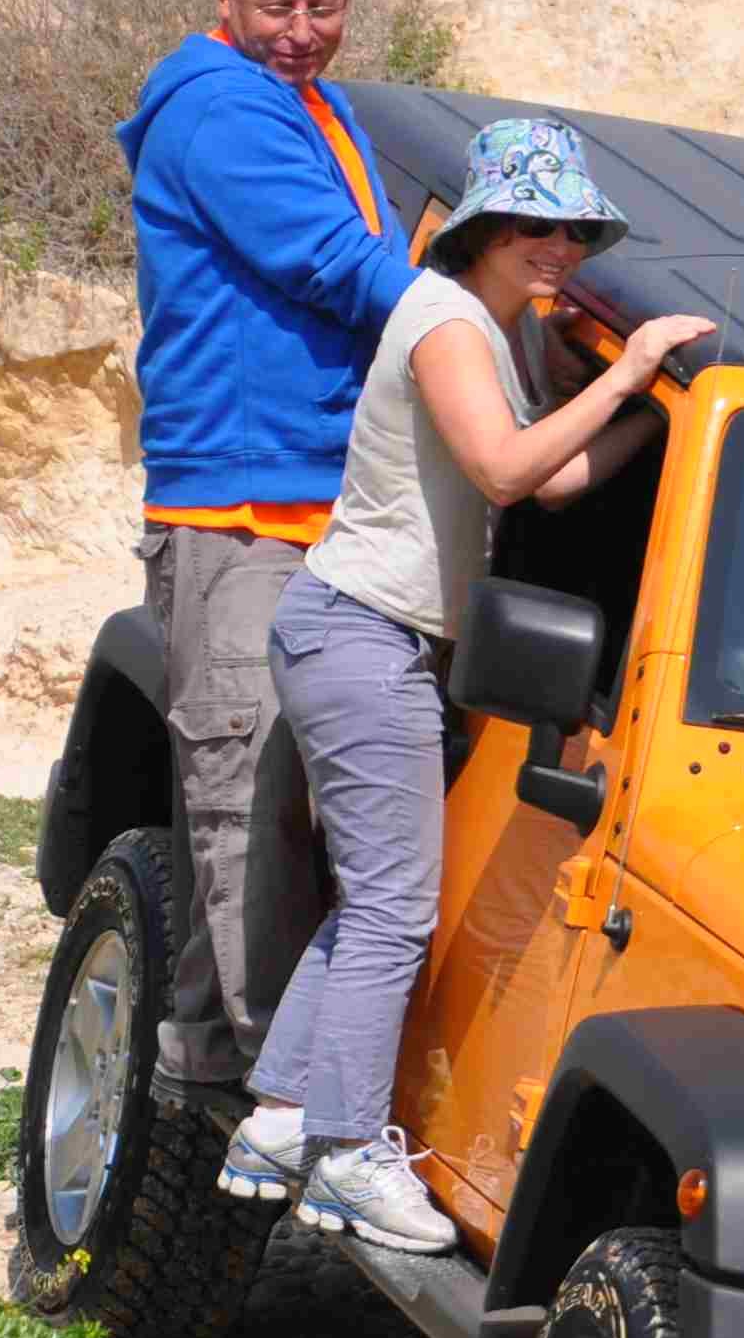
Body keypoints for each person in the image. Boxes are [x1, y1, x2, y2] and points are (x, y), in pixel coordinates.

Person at [226, 115, 714, 1251]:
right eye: (537, 225)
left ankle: (283, 1118)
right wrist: (629, 370)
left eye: (575, 231)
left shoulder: (494, 328)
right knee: (397, 909)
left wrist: (654, 419)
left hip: (371, 638)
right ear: (486, 226)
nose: (560, 248)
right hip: (364, 634)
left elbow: (551, 483)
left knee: (376, 900)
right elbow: (503, 467)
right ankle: (347, 1154)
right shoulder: (446, 322)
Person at [113, 0, 416, 1115]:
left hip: (307, 506)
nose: (300, 29)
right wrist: (470, 328)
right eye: (277, 6)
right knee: (249, 803)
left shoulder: (311, 106)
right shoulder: (227, 110)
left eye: (321, 7)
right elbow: (334, 265)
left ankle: (203, 1080)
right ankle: (290, 1106)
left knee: (251, 810)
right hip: (245, 515)